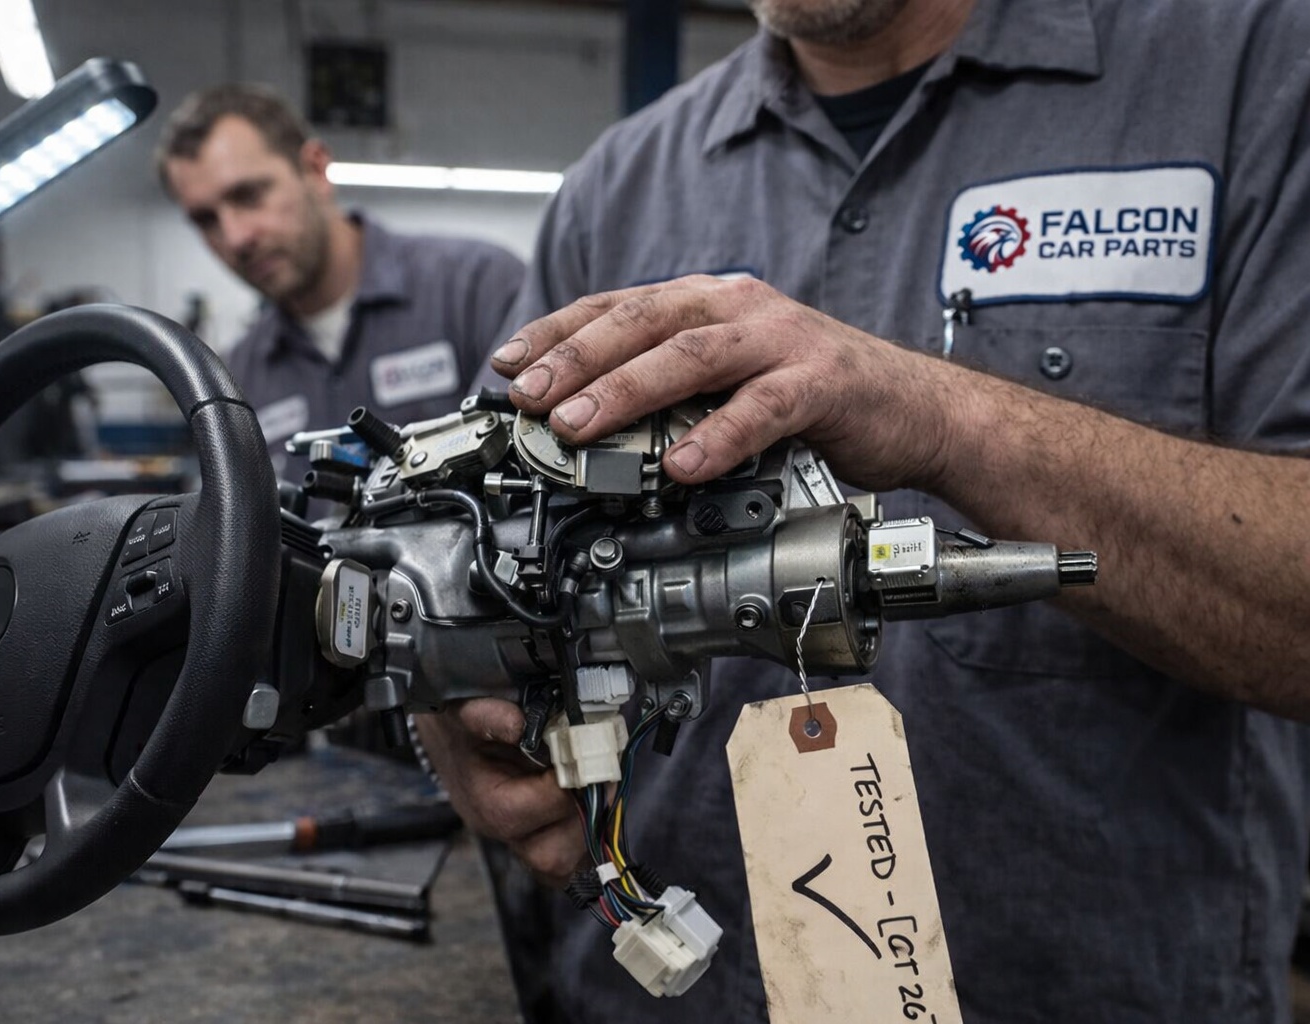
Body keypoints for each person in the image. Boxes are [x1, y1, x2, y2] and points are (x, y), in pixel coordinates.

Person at [417, 1, 1310, 1021]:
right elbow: (464, 529)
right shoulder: (622, 183)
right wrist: (456, 714)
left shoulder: (1254, 68)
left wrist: (945, 416)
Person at [156, 84, 525, 486]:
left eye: (249, 195)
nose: (236, 237)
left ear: (315, 169)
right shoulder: (237, 380)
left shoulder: (476, 289)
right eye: (206, 220)